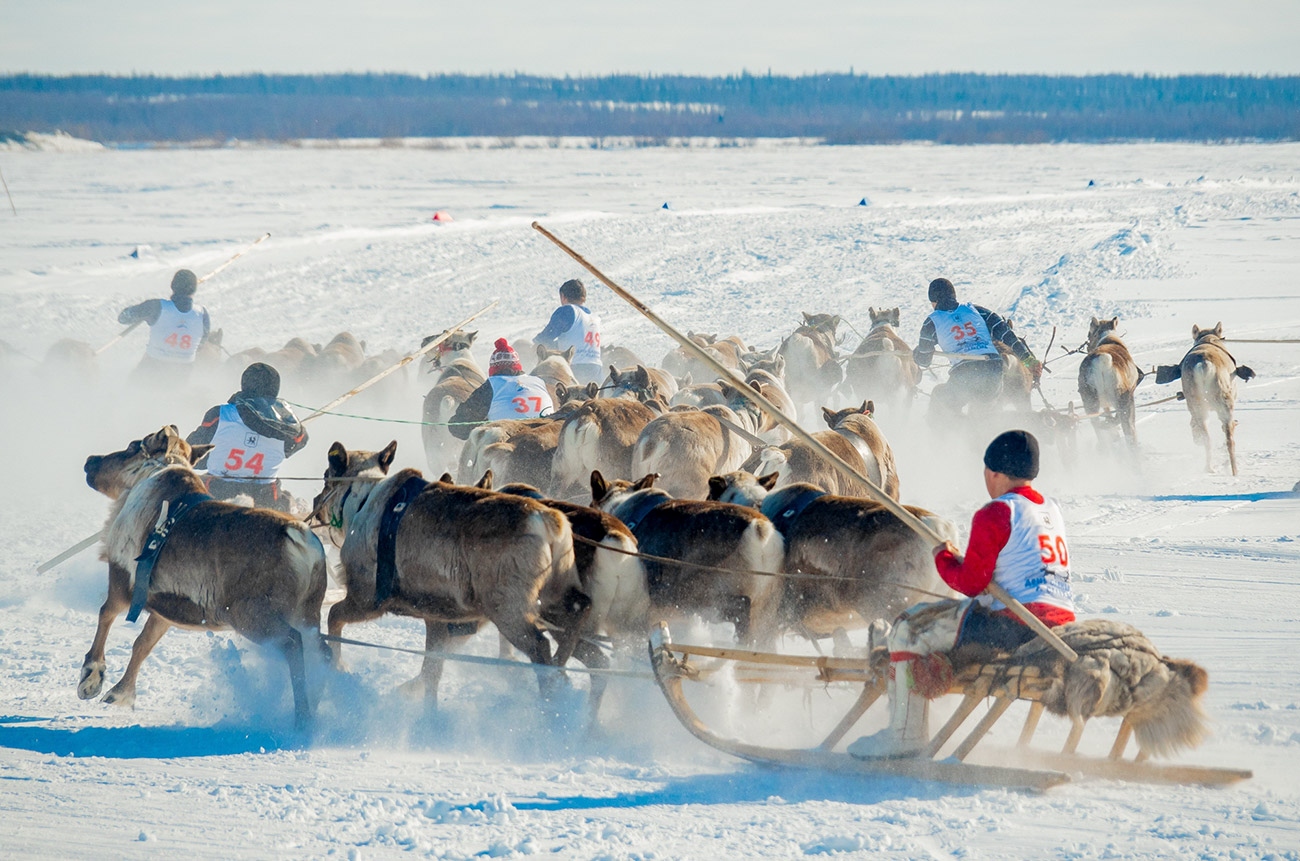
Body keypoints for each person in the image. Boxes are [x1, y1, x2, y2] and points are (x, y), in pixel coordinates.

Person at [849, 429, 1075, 758]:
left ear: (994, 472)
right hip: (1059, 624)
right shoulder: (1051, 509)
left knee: (906, 629)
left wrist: (943, 557)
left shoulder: (996, 512)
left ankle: (904, 736)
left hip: (1014, 624)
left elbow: (970, 584)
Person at [913, 278, 1042, 421]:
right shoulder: (977, 310)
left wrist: (918, 353)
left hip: (964, 374)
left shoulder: (931, 322)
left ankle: (952, 431)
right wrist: (1028, 360)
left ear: (934, 301)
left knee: (940, 398)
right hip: (993, 370)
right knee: (982, 411)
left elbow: (924, 361)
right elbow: (1007, 335)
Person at [186, 362, 308, 512]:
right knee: (290, 501)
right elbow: (300, 441)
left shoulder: (219, 415)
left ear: (244, 384)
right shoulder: (290, 429)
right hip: (266, 500)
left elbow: (191, 456)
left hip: (215, 495)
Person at [449, 339, 554, 440]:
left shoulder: (492, 385)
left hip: (509, 439)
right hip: (548, 435)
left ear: (493, 369)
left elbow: (461, 427)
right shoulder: (538, 382)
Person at [119, 269, 211, 383]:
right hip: (183, 373)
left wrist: (144, 313)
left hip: (152, 367)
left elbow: (123, 318)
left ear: (173, 286)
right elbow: (201, 344)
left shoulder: (156, 306)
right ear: (194, 290)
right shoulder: (202, 314)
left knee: (133, 382)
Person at [534, 278, 602, 385]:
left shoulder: (568, 311)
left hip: (575, 367)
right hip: (596, 369)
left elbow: (545, 338)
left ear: (563, 296)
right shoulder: (594, 317)